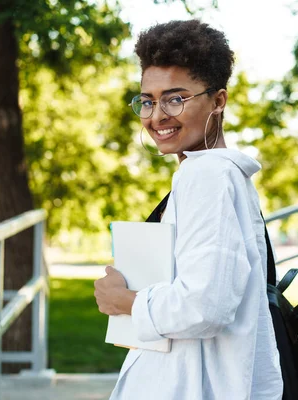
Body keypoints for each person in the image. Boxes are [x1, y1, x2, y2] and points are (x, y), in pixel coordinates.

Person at [93, 19, 284, 399]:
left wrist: (124, 301)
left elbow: (204, 305)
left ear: (218, 101)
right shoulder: (221, 174)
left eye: (175, 98)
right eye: (147, 100)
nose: (157, 115)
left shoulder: (208, 175)